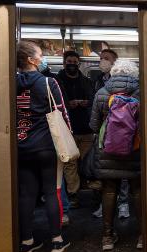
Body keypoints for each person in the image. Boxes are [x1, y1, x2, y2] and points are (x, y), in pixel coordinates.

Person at [16, 40, 70, 252]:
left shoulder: (10, 83)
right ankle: (57, 240)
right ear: (31, 60)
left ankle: (26, 242)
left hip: (21, 146)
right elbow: (62, 113)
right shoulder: (48, 83)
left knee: (26, 195)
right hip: (46, 146)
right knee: (52, 192)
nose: (42, 58)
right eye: (40, 55)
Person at [89, 60, 142, 250]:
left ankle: (107, 237)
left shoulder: (101, 93)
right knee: (137, 191)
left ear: (113, 73)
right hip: (134, 151)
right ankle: (142, 236)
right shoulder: (141, 93)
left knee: (109, 191)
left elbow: (94, 126)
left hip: (107, 151)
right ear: (134, 74)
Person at [56, 51, 94, 208]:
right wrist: (67, 104)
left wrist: (86, 102)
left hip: (86, 128)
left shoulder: (87, 81)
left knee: (84, 161)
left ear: (78, 63)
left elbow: (93, 99)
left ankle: (85, 185)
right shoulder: (57, 81)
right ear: (64, 63)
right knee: (70, 163)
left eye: (75, 61)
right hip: (66, 127)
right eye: (69, 61)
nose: (72, 64)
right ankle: (73, 193)